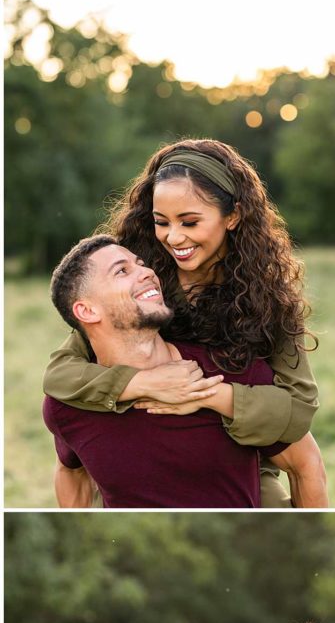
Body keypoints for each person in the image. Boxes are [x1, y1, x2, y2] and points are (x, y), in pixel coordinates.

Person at [43, 138, 320, 508]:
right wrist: (146, 383)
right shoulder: (143, 275)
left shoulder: (268, 299)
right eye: (162, 222)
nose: (173, 237)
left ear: (233, 216)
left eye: (190, 222)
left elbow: (299, 410)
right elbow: (61, 373)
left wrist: (203, 394)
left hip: (247, 451)